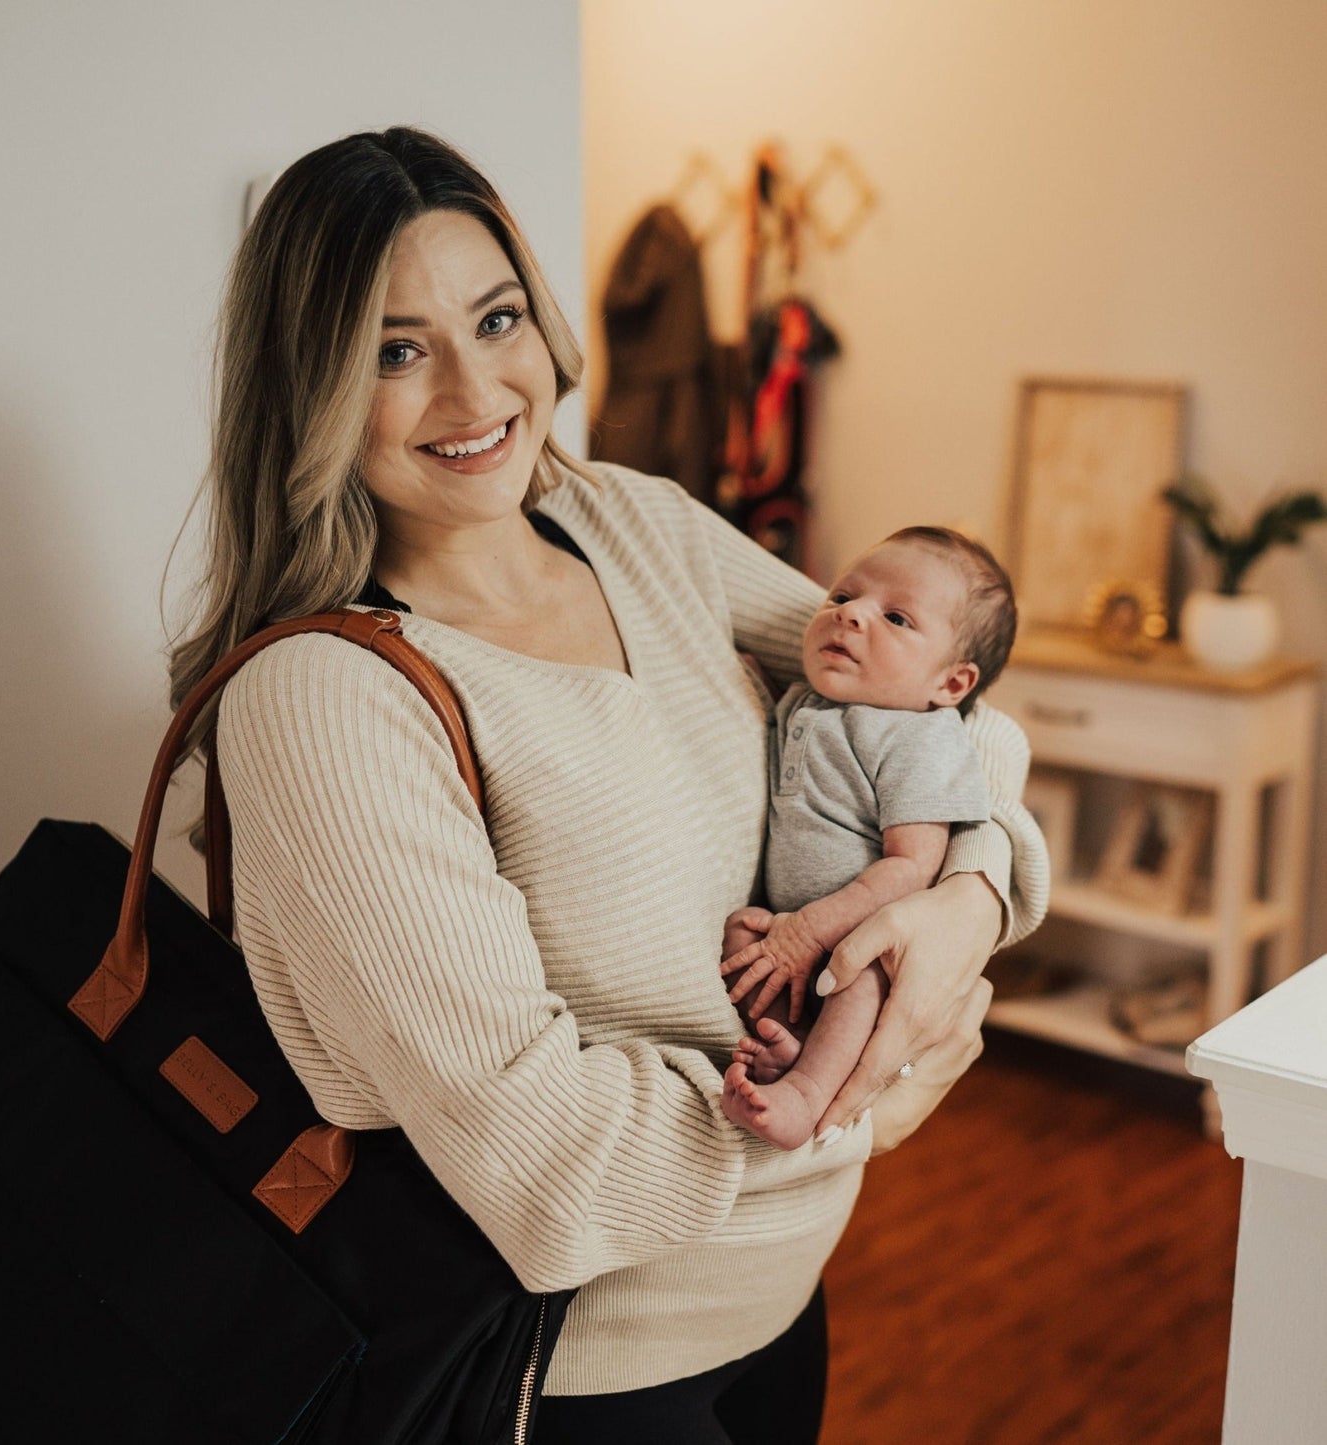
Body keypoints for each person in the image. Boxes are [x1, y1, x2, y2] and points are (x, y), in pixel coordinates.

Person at [168, 127, 1048, 1444]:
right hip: (574, 1381)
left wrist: (958, 905)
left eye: (497, 317)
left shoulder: (632, 524)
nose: (476, 392)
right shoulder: (326, 703)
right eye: (396, 350)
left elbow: (959, 721)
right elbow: (545, 1164)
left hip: (782, 1310)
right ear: (314, 389)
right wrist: (886, 1081)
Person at [718, 527, 1018, 1150]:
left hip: (864, 931)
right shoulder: (809, 699)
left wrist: (810, 931)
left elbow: (912, 866)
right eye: (842, 596)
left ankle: (806, 1096)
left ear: (953, 685)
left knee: (861, 976)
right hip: (792, 925)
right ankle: (786, 1051)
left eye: (897, 617)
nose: (849, 614)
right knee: (744, 933)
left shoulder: (919, 738)